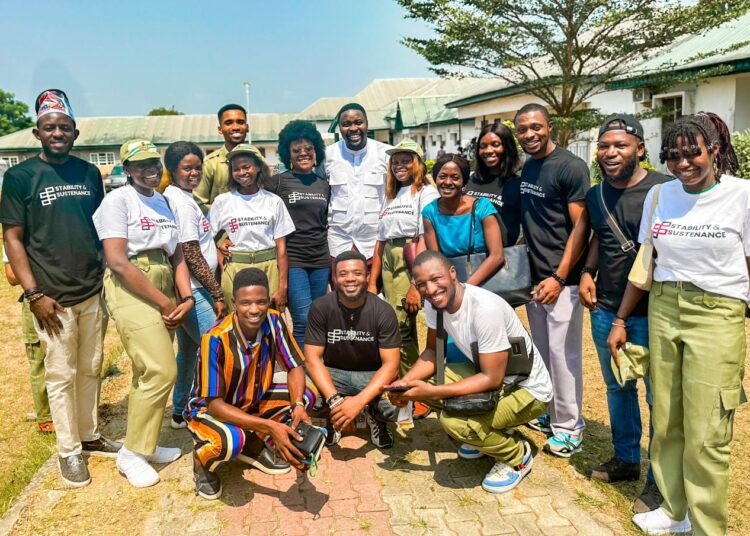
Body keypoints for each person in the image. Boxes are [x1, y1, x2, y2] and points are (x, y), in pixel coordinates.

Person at [609, 112, 747, 536]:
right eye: (674, 155)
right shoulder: (661, 196)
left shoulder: (742, 196)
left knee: (707, 428)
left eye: (693, 153)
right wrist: (620, 318)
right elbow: (646, 262)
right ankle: (674, 511)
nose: (683, 163)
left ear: (715, 151)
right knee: (666, 417)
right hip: (666, 307)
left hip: (718, 312)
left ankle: (707, 527)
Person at [0, 89, 118, 488]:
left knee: (90, 367)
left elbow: (100, 227)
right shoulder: (20, 177)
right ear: (37, 132)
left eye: (64, 127)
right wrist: (34, 294)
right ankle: (68, 451)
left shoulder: (89, 174)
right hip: (52, 296)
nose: (57, 133)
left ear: (75, 131)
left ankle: (88, 434)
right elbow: (13, 237)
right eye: (49, 127)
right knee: (60, 373)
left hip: (91, 289)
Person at [387, 251, 552, 494]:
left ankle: (517, 456)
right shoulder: (435, 305)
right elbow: (433, 352)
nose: (431, 289)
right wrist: (405, 384)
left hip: (526, 390)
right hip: (494, 378)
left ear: (453, 274)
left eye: (436, 279)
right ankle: (487, 434)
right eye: (421, 284)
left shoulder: (485, 308)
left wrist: (431, 391)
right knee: (422, 382)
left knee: (454, 423)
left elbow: (492, 379)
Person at [579, 116, 669, 513]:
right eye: (604, 146)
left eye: (620, 145)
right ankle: (626, 459)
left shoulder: (665, 188)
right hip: (606, 309)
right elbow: (600, 234)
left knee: (658, 398)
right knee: (618, 388)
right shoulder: (597, 193)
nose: (610, 153)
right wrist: (586, 271)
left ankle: (659, 480)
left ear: (640, 148)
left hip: (655, 314)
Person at [94, 139, 194, 488]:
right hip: (133, 283)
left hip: (165, 279)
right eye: (139, 165)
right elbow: (118, 261)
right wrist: (166, 304)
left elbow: (177, 253)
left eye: (154, 162)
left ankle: (144, 445)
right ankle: (131, 454)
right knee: (160, 369)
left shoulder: (163, 201)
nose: (149, 169)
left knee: (145, 372)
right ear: (126, 169)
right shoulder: (116, 201)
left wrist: (186, 296)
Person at [186, 268, 317, 500]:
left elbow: (295, 366)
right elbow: (215, 404)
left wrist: (297, 404)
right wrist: (269, 426)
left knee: (307, 394)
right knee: (229, 441)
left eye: (261, 302)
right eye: (246, 303)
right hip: (210, 409)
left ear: (269, 301)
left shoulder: (274, 321)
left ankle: (254, 444)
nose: (255, 309)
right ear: (234, 302)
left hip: (254, 398)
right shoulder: (214, 339)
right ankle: (201, 462)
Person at [514, 103, 590, 457]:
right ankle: (551, 414)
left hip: (562, 281)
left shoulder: (571, 167)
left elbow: (581, 227)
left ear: (550, 127)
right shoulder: (529, 166)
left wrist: (560, 277)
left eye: (536, 127)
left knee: (564, 355)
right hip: (535, 278)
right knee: (543, 355)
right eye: (523, 129)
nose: (530, 134)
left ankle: (570, 428)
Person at [303, 251, 401, 449]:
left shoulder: (383, 311)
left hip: (371, 376)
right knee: (304, 394)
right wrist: (335, 401)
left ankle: (375, 417)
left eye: (357, 273)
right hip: (334, 375)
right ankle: (335, 418)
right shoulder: (320, 307)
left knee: (397, 407)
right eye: (343, 273)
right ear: (335, 278)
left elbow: (391, 365)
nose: (350, 279)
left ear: (367, 277)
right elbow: (312, 359)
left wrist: (359, 402)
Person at [163, 141, 225, 430]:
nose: (194, 173)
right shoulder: (180, 202)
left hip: (193, 287)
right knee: (216, 349)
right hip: (194, 289)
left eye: (198, 167)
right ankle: (213, 409)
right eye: (187, 168)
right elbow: (189, 251)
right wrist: (216, 291)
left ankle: (179, 410)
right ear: (173, 170)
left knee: (188, 351)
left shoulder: (184, 197)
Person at [368, 138, 439, 372]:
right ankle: (402, 382)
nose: (399, 165)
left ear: (418, 163)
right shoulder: (391, 194)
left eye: (406, 160)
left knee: (400, 328)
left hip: (410, 256)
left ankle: (410, 388)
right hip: (388, 255)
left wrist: (414, 285)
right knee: (392, 324)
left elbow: (426, 239)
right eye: (395, 161)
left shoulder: (425, 193)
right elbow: (380, 241)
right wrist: (372, 283)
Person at [266, 120, 330, 348]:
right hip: (294, 260)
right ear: (288, 155)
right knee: (303, 320)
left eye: (308, 149)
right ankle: (303, 373)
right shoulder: (278, 182)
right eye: (296, 150)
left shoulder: (323, 185)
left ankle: (316, 370)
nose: (303, 153)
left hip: (321, 260)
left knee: (319, 318)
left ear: (316, 151)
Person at [209, 144, 295, 312]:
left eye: (246, 167)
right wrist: (219, 245)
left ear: (257, 168)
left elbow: (281, 248)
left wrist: (283, 287)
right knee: (236, 323)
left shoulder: (273, 201)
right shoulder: (222, 201)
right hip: (235, 267)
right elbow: (206, 237)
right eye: (236, 169)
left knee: (269, 321)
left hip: (268, 268)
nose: (242, 173)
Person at [325, 103, 392, 278]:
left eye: (358, 122)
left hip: (374, 245)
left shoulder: (385, 154)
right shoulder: (328, 155)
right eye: (346, 124)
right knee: (340, 298)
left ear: (367, 124)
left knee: (374, 297)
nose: (353, 128)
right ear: (339, 128)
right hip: (338, 243)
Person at [422, 153, 505, 287]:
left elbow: (497, 256)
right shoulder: (429, 212)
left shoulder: (482, 207)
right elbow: (437, 258)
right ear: (435, 179)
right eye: (442, 176)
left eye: (455, 177)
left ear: (464, 182)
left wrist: (467, 287)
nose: (448, 182)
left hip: (487, 281)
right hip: (451, 283)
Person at [3, 247, 52, 433]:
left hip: (63, 294)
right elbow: (12, 277)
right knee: (38, 359)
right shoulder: (13, 235)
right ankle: (46, 420)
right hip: (32, 300)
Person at [466, 122, 523, 247]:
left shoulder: (517, 185)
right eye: (483, 146)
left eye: (495, 145)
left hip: (502, 258)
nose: (488, 151)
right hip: (469, 255)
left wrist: (515, 250)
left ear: (507, 147)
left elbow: (532, 228)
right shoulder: (471, 181)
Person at [193, 104, 249, 213]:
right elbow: (198, 203)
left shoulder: (259, 161)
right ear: (220, 129)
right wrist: (227, 216)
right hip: (223, 228)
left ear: (247, 127)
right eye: (229, 123)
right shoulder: (209, 164)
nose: (236, 127)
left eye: (240, 122)